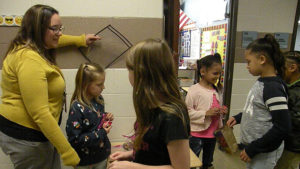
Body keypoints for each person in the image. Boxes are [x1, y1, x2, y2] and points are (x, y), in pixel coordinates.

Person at [0, 4, 100, 169]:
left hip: (35, 133)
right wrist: (67, 151)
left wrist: (80, 40)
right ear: (37, 30)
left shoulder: (32, 45)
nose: (59, 33)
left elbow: (55, 40)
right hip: (26, 136)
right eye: (55, 29)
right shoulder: (28, 59)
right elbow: (40, 113)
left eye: (60, 28)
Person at [108, 39, 190, 169]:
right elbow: (155, 150)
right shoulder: (150, 107)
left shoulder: (172, 117)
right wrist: (130, 154)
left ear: (143, 74)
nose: (128, 75)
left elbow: (181, 167)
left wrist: (131, 167)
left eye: (130, 70)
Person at [227, 34, 291, 169]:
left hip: (264, 151)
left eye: (248, 61)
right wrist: (239, 118)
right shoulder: (262, 82)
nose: (247, 66)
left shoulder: (273, 88)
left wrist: (253, 149)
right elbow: (255, 110)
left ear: (262, 59)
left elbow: (282, 127)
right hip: (255, 149)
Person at [66, 62, 113, 169]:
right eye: (99, 84)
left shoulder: (99, 100)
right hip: (85, 161)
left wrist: (106, 117)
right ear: (85, 85)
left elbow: (94, 121)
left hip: (101, 155)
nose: (103, 87)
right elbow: (75, 139)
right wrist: (102, 132)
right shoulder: (77, 108)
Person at [185, 53, 227, 169]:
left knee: (208, 163)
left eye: (219, 74)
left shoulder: (217, 89)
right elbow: (187, 112)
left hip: (212, 134)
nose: (217, 76)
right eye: (215, 73)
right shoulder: (194, 90)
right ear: (203, 72)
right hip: (197, 134)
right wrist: (205, 113)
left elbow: (217, 105)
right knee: (192, 162)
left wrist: (221, 110)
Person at [274, 51, 300, 169]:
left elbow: (296, 121)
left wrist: (278, 113)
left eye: (281, 68)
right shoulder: (285, 86)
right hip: (282, 142)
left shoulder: (297, 92)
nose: (278, 71)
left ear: (292, 67)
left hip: (292, 146)